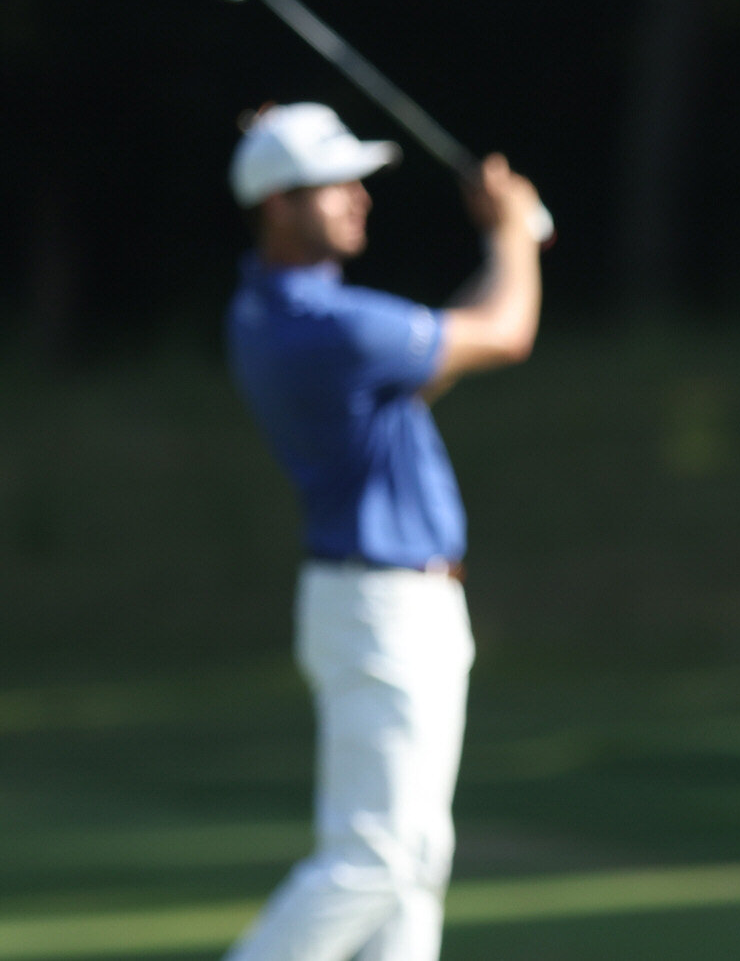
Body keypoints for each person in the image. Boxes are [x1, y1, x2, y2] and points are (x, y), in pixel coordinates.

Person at [222, 101, 550, 961]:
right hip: (384, 606)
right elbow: (508, 331)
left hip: (372, 602)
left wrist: (502, 246)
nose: (360, 198)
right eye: (335, 185)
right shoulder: (331, 327)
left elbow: (451, 347)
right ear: (278, 205)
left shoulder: (273, 312)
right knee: (375, 857)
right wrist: (511, 230)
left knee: (414, 860)